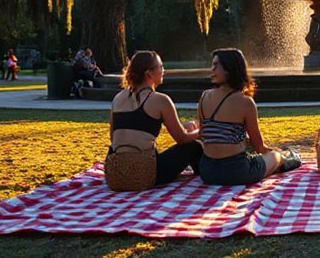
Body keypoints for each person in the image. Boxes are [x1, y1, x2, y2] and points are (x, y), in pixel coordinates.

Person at [197, 48, 300, 185]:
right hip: (236, 171)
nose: (212, 69)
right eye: (212, 65)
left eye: (216, 66)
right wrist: (274, 152)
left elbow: (204, 135)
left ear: (228, 69)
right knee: (276, 157)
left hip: (207, 171)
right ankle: (288, 159)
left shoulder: (204, 96)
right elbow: (259, 147)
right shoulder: (245, 102)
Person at [106, 51, 203, 187]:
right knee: (194, 146)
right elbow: (181, 138)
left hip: (114, 175)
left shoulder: (118, 98)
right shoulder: (160, 100)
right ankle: (209, 175)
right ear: (149, 73)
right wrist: (200, 131)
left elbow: (113, 137)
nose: (163, 70)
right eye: (161, 66)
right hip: (144, 174)